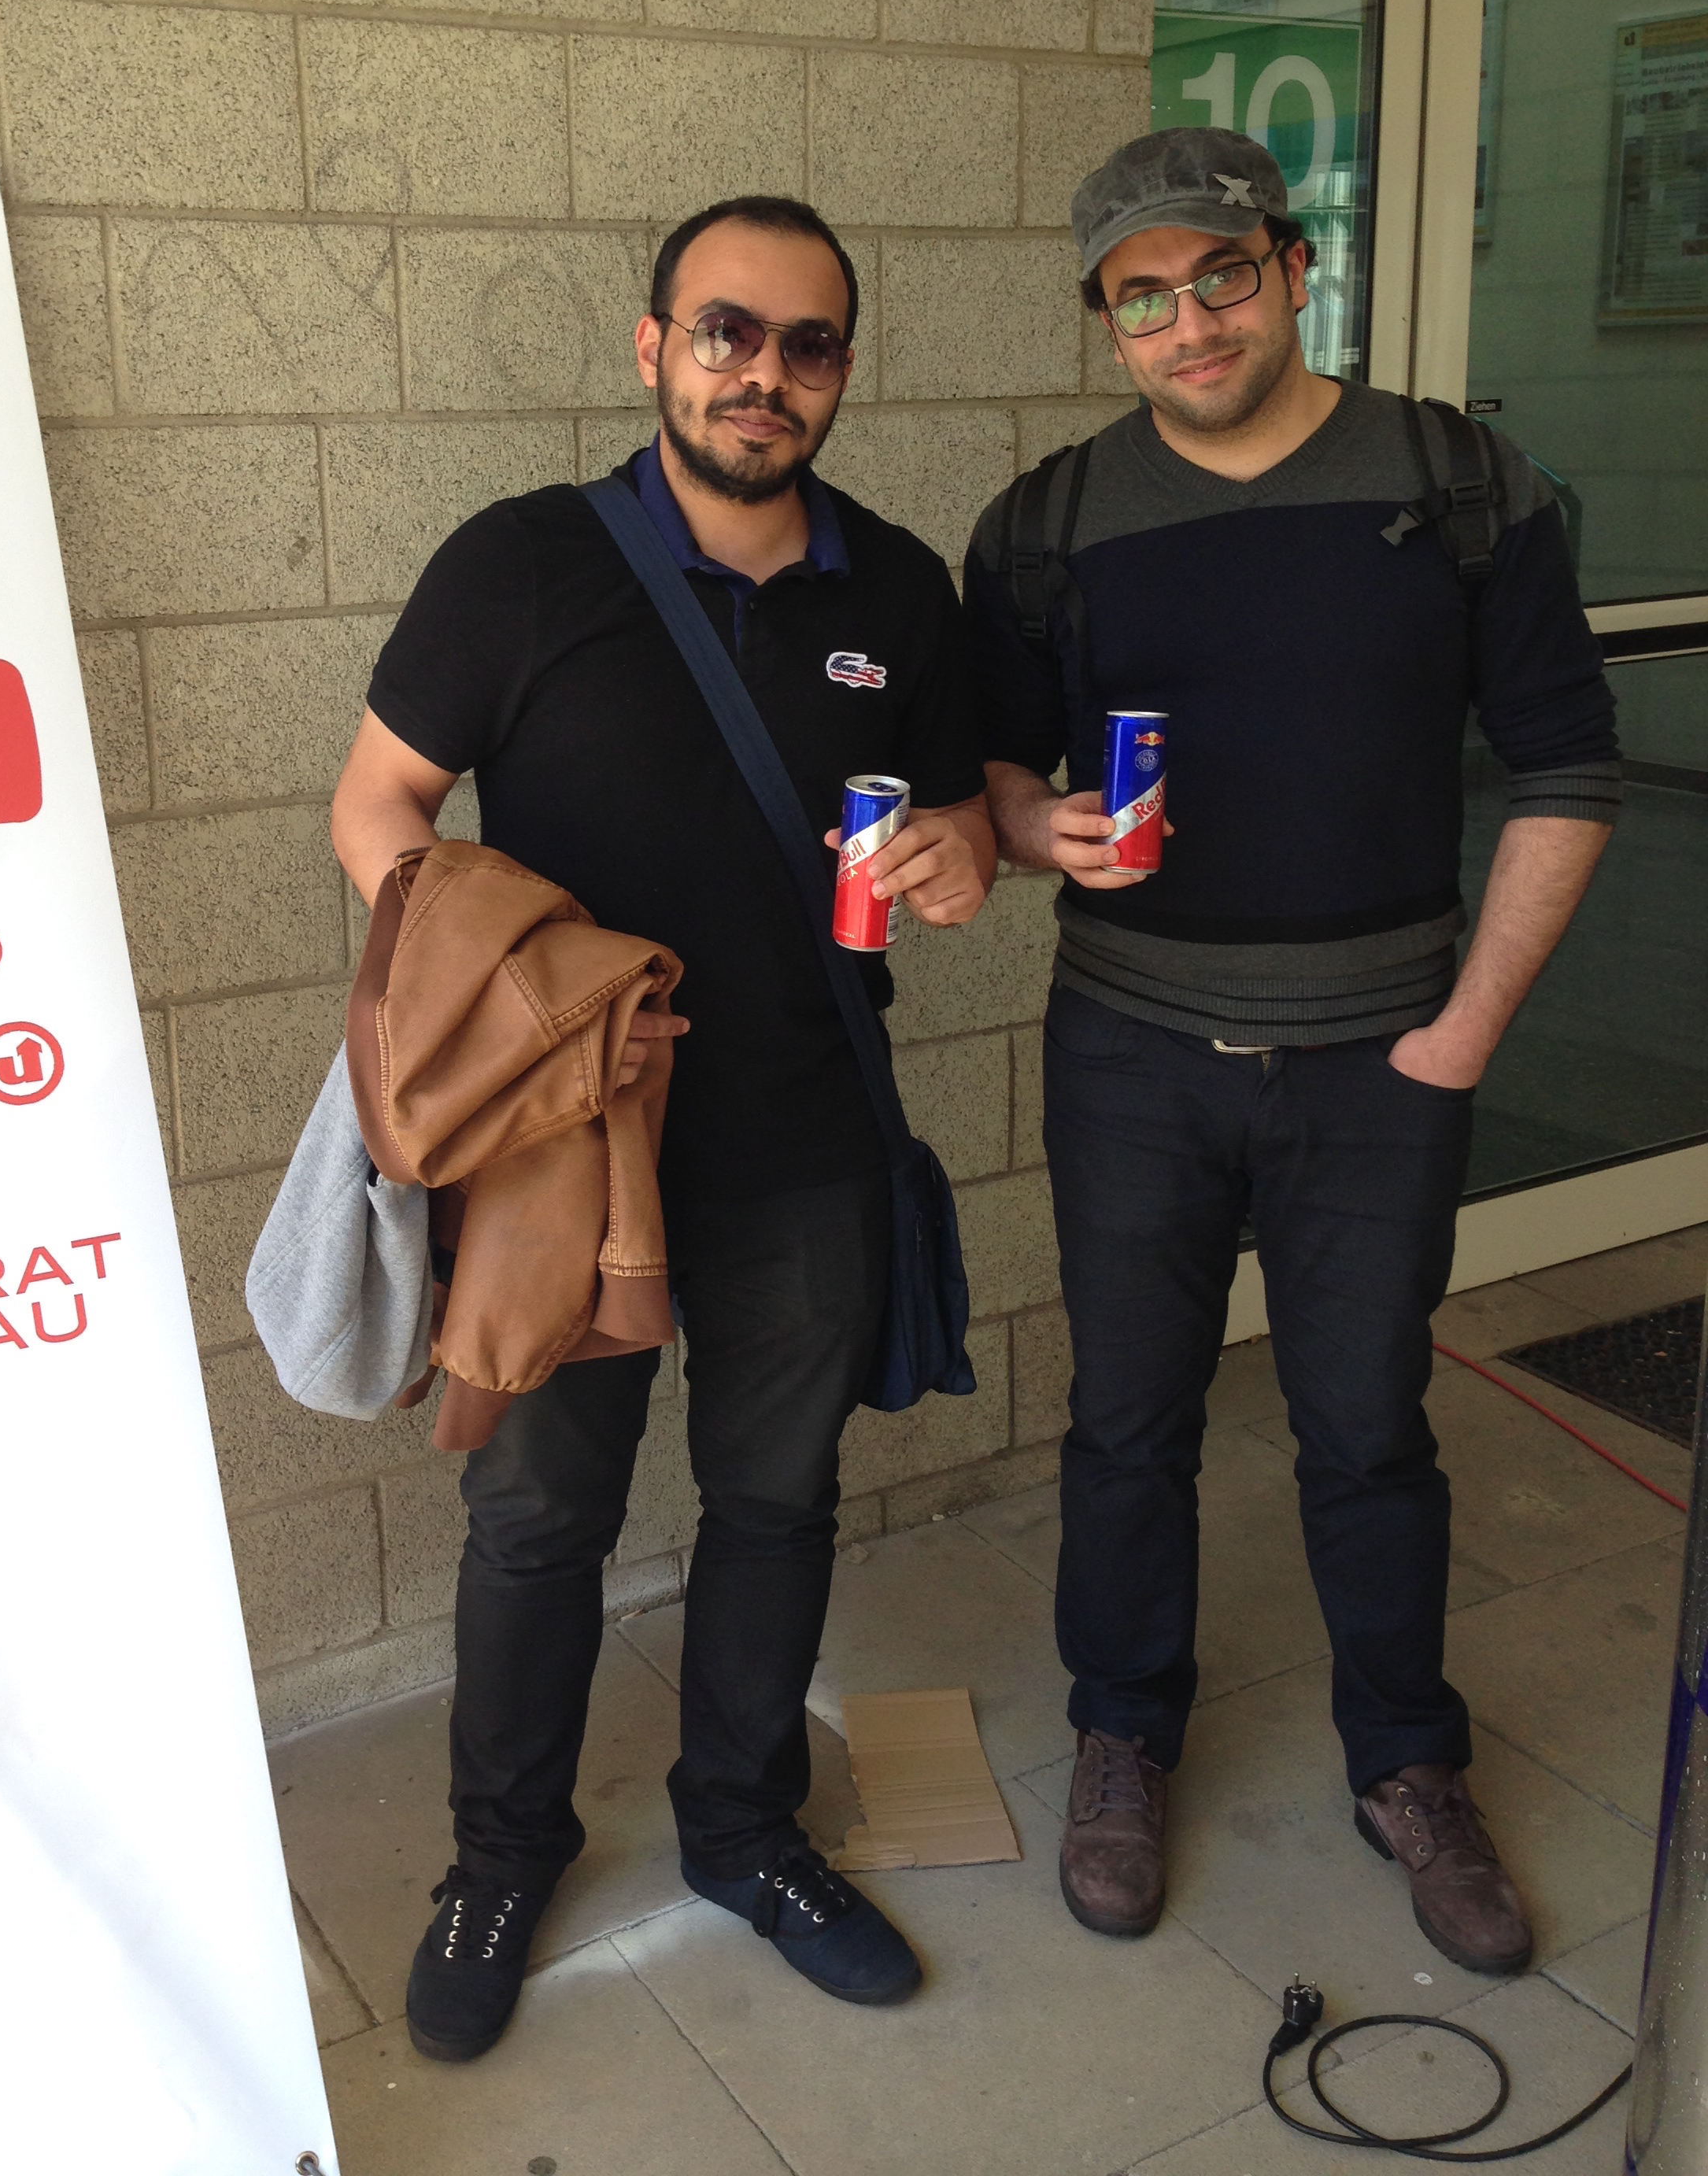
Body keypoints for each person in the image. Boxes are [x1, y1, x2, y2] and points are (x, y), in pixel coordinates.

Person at [332, 194, 995, 2061]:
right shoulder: (525, 563)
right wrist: (504, 989)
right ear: (654, 349)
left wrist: (963, 855)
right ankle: (501, 1856)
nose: (763, 373)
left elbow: (957, 815)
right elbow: (377, 807)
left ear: (843, 372)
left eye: (807, 344)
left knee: (778, 1503)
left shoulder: (898, 589)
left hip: (804, 1141)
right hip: (560, 1154)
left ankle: (745, 1832)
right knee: (538, 1516)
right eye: (726, 332)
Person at [964, 127, 1618, 1972]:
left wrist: (1464, 1034)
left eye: (1221, 276)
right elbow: (990, 764)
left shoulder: (1457, 483)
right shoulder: (1048, 523)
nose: (1190, 324)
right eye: (1142, 300)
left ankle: (1407, 1760)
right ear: (1107, 324)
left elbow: (1568, 766)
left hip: (1380, 1066)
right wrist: (1029, 825)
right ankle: (1124, 1732)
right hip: (1131, 1057)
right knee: (1127, 1424)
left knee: (1368, 1427)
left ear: (1294, 266)